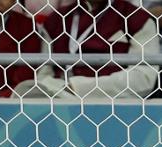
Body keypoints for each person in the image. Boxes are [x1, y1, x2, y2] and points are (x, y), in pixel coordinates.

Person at [26, 0, 159, 99]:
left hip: (113, 105)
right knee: (25, 90)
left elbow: (144, 78)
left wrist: (76, 87)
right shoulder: (56, 20)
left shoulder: (136, 18)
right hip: (57, 101)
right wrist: (59, 89)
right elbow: (43, 74)